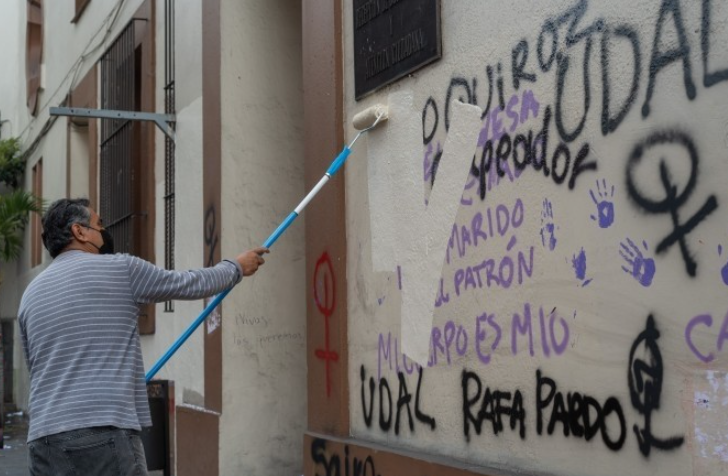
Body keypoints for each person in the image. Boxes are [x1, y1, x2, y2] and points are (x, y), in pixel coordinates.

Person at [18, 198, 268, 475]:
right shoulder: (120, 269)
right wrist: (236, 267)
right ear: (79, 232)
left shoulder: (30, 294)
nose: (104, 232)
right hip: (104, 433)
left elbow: (37, 368)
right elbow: (187, 283)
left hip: (44, 440)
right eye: (99, 224)